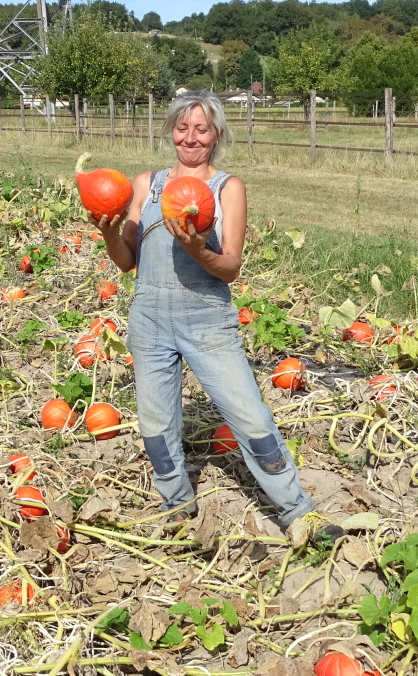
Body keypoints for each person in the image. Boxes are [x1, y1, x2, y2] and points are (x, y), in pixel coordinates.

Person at [92, 90, 340, 545]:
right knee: (156, 424)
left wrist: (195, 247)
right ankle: (177, 508)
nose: (190, 138)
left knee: (250, 418)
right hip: (149, 317)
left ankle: (297, 511)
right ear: (171, 130)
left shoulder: (228, 188)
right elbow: (126, 261)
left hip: (207, 317)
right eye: (182, 128)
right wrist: (108, 233)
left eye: (201, 129)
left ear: (217, 134)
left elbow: (230, 266)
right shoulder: (145, 184)